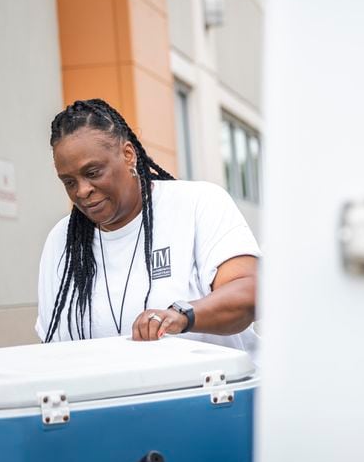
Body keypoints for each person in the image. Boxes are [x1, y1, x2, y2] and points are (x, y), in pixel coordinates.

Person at [36, 99, 260, 352]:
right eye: (69, 182)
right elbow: (52, 346)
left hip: (214, 389)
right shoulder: (61, 240)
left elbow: (250, 293)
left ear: (128, 155)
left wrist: (182, 316)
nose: (82, 191)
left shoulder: (198, 203)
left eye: (93, 173)